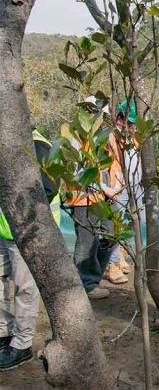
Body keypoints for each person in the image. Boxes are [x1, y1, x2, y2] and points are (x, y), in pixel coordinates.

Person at [0, 129, 60, 371]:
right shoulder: (7, 142)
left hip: (28, 233)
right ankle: (4, 333)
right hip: (4, 231)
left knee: (25, 288)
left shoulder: (37, 145)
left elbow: (48, 188)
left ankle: (22, 344)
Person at [67, 96, 123, 300]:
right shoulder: (75, 136)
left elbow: (115, 165)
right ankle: (87, 284)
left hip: (106, 197)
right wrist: (101, 187)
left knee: (113, 234)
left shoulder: (106, 138)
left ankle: (91, 276)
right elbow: (76, 171)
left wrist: (116, 187)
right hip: (84, 197)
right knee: (86, 242)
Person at [104, 100, 142, 285]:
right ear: (120, 119)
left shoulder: (134, 140)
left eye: (133, 124)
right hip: (117, 189)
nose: (131, 127)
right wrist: (109, 189)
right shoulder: (110, 138)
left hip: (135, 189)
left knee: (129, 225)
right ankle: (113, 265)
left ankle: (121, 257)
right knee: (116, 227)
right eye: (129, 123)